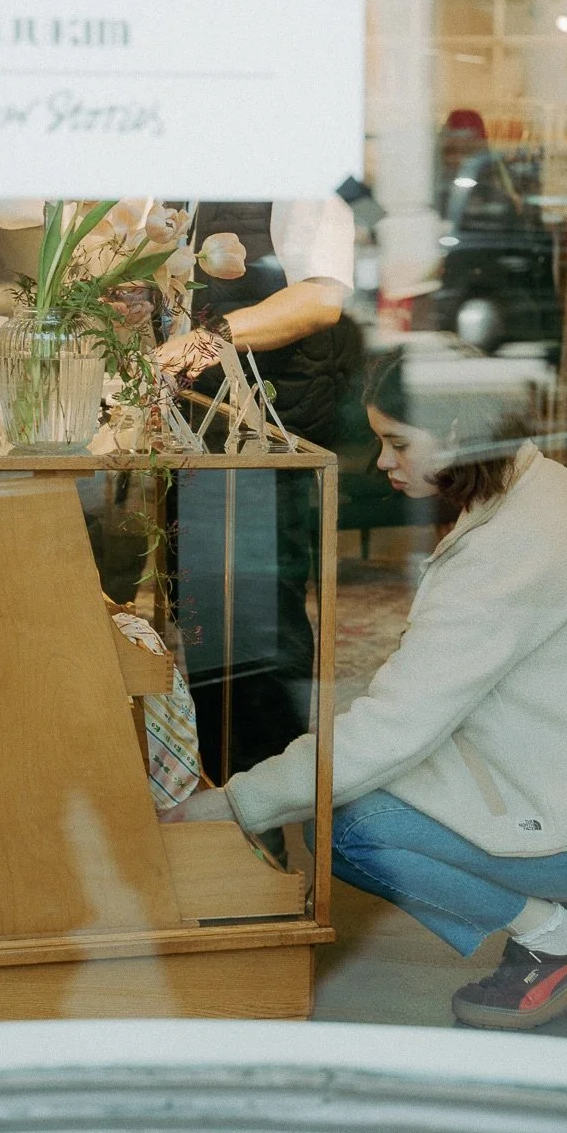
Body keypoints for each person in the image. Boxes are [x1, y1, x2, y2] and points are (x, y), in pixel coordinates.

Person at [162, 343, 567, 1031]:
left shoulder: (505, 553)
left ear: (459, 433)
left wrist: (228, 808)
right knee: (358, 776)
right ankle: (566, 896)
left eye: (397, 442)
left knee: (345, 827)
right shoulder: (537, 480)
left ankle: (558, 940)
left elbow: (391, 731)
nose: (382, 461)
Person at [153, 198, 357, 795]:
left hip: (269, 429)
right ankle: (225, 797)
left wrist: (200, 346)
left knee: (260, 623)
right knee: (204, 617)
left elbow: (320, 299)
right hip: (199, 425)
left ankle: (270, 807)